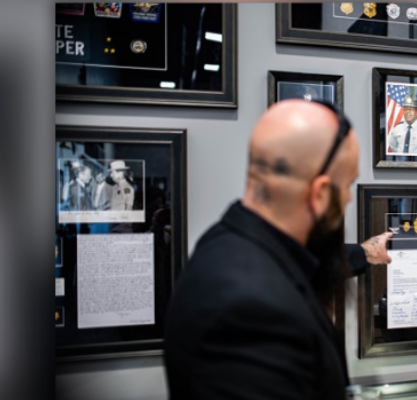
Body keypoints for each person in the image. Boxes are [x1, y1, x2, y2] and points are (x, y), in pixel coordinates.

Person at [164, 100, 391, 399]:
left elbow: (299, 261)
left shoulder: (229, 241)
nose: (348, 198)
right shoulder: (251, 311)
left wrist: (364, 252)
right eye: (347, 184)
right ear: (321, 193)